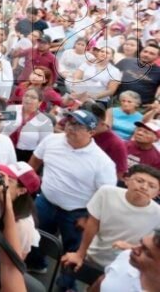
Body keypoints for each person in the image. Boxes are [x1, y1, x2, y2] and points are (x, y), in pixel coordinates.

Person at [27, 109, 117, 284]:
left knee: (72, 253)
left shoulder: (102, 162)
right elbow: (34, 163)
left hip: (76, 213)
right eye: (69, 122)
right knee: (34, 236)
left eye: (78, 125)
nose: (70, 127)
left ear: (91, 132)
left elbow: (105, 198)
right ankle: (36, 264)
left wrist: (89, 218)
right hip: (45, 201)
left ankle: (66, 285)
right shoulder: (52, 140)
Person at [60, 164, 160, 287]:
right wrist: (81, 253)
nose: (144, 187)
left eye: (152, 186)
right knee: (68, 279)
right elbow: (93, 224)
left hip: (127, 263)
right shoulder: (107, 192)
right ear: (126, 180)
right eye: (140, 181)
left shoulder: (158, 214)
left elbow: (154, 246)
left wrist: (131, 247)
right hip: (94, 252)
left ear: (157, 193)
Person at [90, 228, 160, 292]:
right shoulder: (126, 256)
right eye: (141, 243)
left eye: (146, 252)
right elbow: (102, 280)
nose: (134, 249)